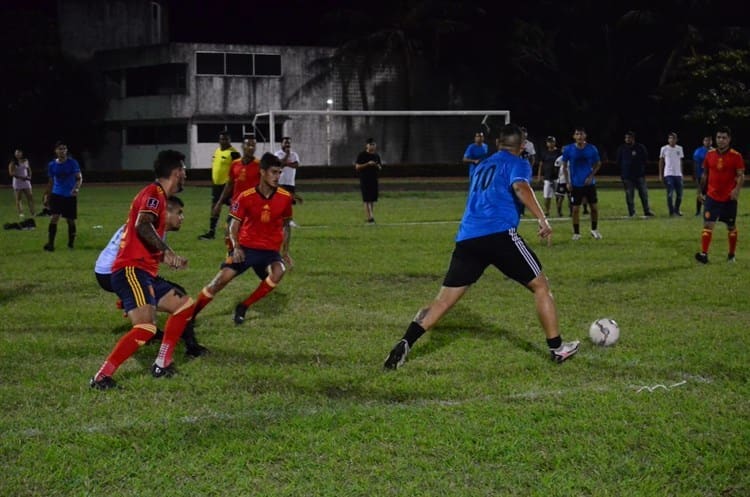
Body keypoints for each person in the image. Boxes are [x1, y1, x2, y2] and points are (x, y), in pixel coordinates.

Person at [383, 123, 579, 370]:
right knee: (541, 287)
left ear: (498, 143)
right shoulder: (519, 162)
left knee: (443, 301)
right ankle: (558, 348)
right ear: (521, 146)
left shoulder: (482, 165)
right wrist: (542, 218)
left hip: (468, 238)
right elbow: (521, 187)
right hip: (499, 235)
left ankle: (406, 341)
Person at [90, 150, 194, 389]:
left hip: (144, 272)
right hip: (130, 270)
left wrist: (164, 257)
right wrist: (167, 252)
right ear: (177, 172)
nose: (186, 175)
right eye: (184, 170)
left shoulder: (157, 196)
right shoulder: (153, 193)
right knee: (146, 328)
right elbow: (142, 225)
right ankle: (101, 377)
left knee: (185, 305)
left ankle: (162, 363)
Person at [94, 196, 207, 357]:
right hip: (113, 272)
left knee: (156, 297)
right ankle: (191, 346)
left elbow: (146, 252)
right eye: (179, 213)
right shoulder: (149, 227)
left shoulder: (149, 224)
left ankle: (142, 316)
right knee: (179, 298)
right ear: (165, 213)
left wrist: (169, 259)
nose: (182, 217)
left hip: (106, 270)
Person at [192, 153, 293, 326]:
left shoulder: (285, 197)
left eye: (279, 173)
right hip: (246, 248)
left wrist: (285, 251)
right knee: (220, 281)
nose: (277, 177)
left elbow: (286, 225)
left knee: (279, 271)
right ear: (262, 172)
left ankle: (244, 306)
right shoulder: (245, 196)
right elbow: (233, 225)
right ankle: (190, 316)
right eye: (273, 172)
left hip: (270, 251)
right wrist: (236, 247)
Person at [695, 126, 745, 264]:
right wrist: (700, 191)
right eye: (718, 137)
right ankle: (704, 254)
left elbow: (741, 176)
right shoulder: (710, 155)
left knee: (731, 226)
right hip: (712, 197)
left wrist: (736, 190)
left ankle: (731, 255)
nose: (721, 140)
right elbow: (705, 175)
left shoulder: (736, 156)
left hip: (729, 198)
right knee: (708, 225)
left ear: (729, 139)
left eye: (724, 138)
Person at [561, 127, 602, 240]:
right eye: (577, 134)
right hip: (576, 184)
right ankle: (576, 233)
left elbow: (598, 164)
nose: (579, 136)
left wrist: (591, 176)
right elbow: (564, 166)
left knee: (593, 208)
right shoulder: (569, 149)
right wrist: (567, 182)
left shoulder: (592, 149)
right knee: (575, 209)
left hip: (589, 183)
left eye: (581, 134)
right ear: (574, 136)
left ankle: (594, 229)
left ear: (585, 136)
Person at [199, 130, 238, 240]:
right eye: (221, 139)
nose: (223, 141)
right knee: (215, 208)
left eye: (226, 139)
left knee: (235, 208)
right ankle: (211, 232)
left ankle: (234, 231)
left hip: (229, 186)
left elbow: (238, 170)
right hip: (217, 185)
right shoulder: (217, 151)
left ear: (230, 140)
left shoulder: (233, 153)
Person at [43, 140, 82, 251]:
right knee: (54, 218)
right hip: (57, 194)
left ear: (66, 150)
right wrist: (47, 195)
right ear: (56, 151)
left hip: (69, 195)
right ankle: (50, 244)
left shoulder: (72, 163)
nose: (62, 151)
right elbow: (50, 182)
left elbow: (79, 178)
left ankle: (70, 244)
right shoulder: (52, 165)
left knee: (70, 220)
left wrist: (76, 188)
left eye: (64, 149)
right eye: (60, 149)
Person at [275, 136, 301, 266]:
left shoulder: (294, 154)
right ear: (281, 143)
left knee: (290, 203)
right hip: (281, 183)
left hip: (290, 182)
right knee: (280, 204)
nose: (287, 145)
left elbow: (296, 165)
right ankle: (281, 221)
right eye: (285, 142)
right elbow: (279, 164)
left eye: (289, 143)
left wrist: (287, 163)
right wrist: (286, 158)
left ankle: (289, 220)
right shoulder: (277, 154)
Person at [615, 131, 654, 217]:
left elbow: (645, 160)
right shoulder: (622, 148)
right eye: (626, 138)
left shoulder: (640, 147)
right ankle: (631, 213)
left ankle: (647, 211)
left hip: (639, 175)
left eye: (629, 138)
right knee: (629, 195)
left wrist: (641, 169)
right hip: (627, 176)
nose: (627, 139)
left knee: (644, 194)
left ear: (633, 138)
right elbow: (618, 161)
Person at [355, 138, 382, 224]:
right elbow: (357, 167)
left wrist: (377, 166)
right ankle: (370, 218)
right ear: (367, 145)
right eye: (371, 144)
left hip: (374, 179)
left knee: (372, 199)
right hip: (365, 179)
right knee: (366, 199)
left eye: (374, 144)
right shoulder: (362, 155)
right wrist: (367, 164)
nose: (372, 146)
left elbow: (380, 167)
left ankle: (370, 216)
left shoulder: (376, 155)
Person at [658, 132, 685, 216]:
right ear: (668, 139)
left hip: (678, 174)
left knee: (680, 194)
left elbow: (680, 161)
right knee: (670, 194)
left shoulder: (679, 148)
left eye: (673, 138)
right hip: (668, 174)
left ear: (676, 140)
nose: (672, 140)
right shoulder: (664, 149)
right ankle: (671, 211)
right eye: (670, 138)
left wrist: (681, 173)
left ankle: (677, 210)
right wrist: (660, 174)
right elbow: (661, 162)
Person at [536, 136, 560, 217]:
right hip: (547, 177)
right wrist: (539, 176)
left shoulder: (558, 152)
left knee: (559, 195)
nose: (550, 143)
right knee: (547, 196)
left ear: (554, 142)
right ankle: (547, 211)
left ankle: (559, 211)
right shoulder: (544, 153)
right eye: (549, 142)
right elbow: (541, 165)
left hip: (557, 177)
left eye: (552, 141)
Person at [8, 148, 35, 218]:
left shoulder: (25, 160)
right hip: (18, 182)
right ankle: (21, 213)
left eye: (19, 152)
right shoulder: (13, 162)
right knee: (19, 199)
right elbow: (11, 173)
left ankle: (32, 213)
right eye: (16, 152)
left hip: (26, 182)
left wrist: (30, 176)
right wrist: (21, 177)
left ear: (22, 153)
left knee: (30, 197)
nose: (18, 154)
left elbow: (29, 169)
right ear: (14, 154)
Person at [692, 135, 713, 216]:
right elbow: (695, 164)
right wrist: (695, 175)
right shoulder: (698, 151)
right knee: (701, 193)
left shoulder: (715, 151)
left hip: (712, 176)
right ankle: (698, 211)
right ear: (703, 141)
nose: (708, 142)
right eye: (706, 140)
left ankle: (709, 210)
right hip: (701, 175)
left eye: (709, 140)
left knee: (711, 194)